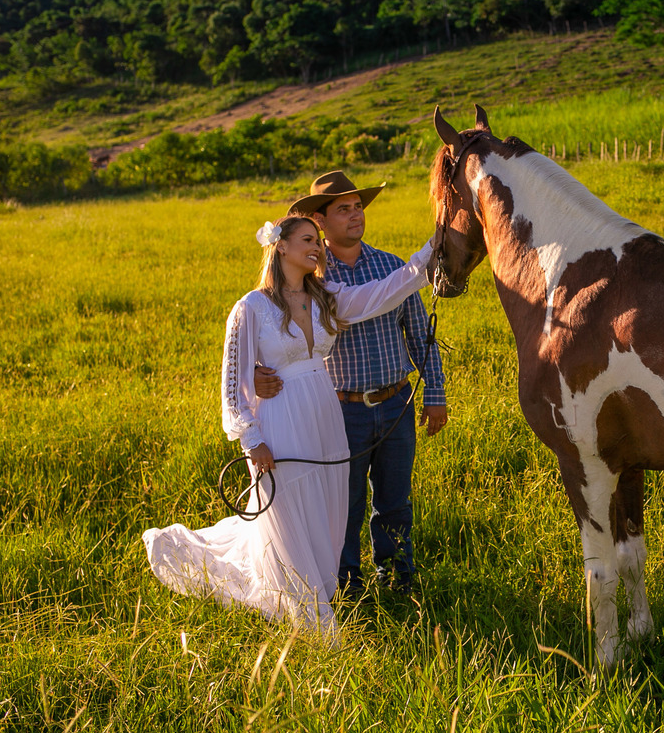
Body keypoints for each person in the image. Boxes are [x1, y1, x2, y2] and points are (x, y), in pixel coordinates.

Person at [142, 215, 435, 640]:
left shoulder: (325, 296)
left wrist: (427, 256)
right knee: (289, 511)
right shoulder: (251, 307)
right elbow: (232, 384)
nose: (317, 247)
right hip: (279, 419)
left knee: (327, 510)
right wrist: (252, 438)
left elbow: (380, 295)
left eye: (318, 240)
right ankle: (309, 615)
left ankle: (322, 591)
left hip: (325, 414)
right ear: (280, 246)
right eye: (307, 240)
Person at [258, 171, 446, 597]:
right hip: (340, 408)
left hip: (396, 400)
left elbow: (420, 334)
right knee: (343, 504)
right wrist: (254, 372)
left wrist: (434, 393)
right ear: (320, 221)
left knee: (395, 500)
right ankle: (346, 582)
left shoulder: (389, 264)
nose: (355, 215)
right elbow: (270, 327)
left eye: (358, 206)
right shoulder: (309, 276)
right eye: (343, 209)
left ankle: (398, 576)